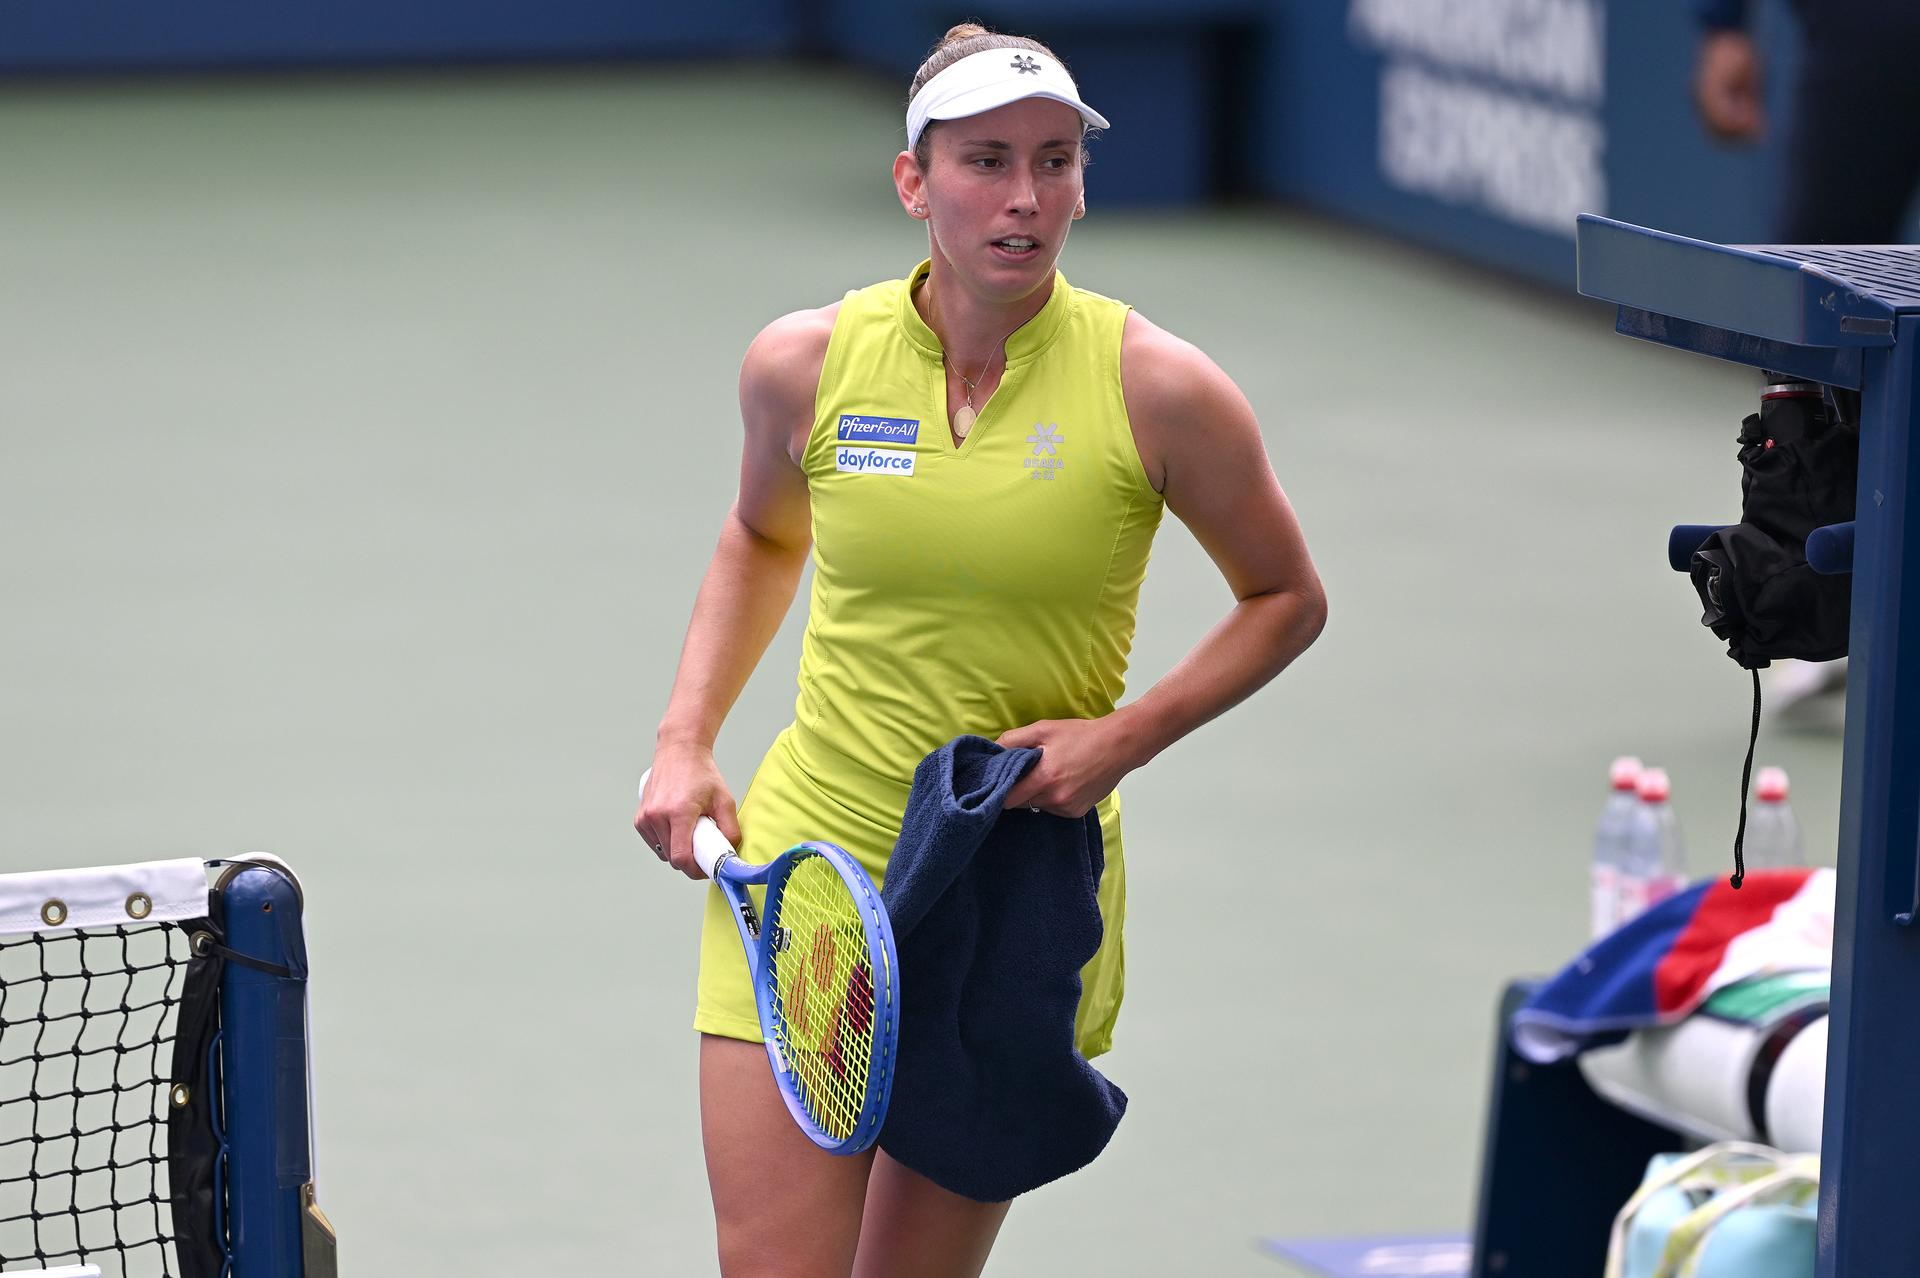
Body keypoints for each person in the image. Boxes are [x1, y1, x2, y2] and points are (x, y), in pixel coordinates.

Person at [634, 23, 1326, 1278]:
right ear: (915, 182)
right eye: (987, 161)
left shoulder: (1160, 388)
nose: (1026, 198)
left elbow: (1284, 596)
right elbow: (759, 534)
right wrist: (684, 742)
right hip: (814, 873)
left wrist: (1126, 737)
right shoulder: (805, 365)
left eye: (1056, 161)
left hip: (1010, 890)